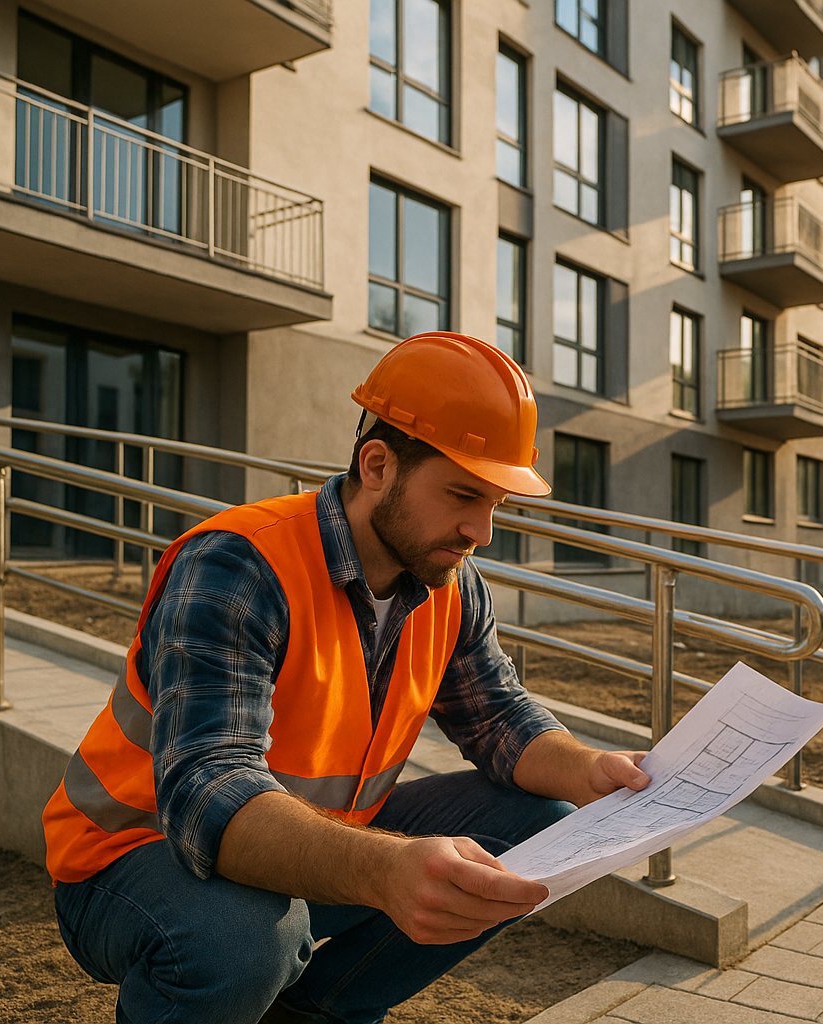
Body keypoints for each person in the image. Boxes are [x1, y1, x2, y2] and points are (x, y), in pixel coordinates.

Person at [41, 333, 650, 1024]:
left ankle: (311, 1014)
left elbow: (500, 720)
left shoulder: (448, 582)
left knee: (538, 824)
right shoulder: (239, 565)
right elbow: (209, 792)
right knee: (241, 940)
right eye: (462, 494)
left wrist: (593, 770)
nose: (481, 529)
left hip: (316, 841)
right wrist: (387, 870)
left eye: (496, 504)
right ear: (379, 465)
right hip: (132, 855)